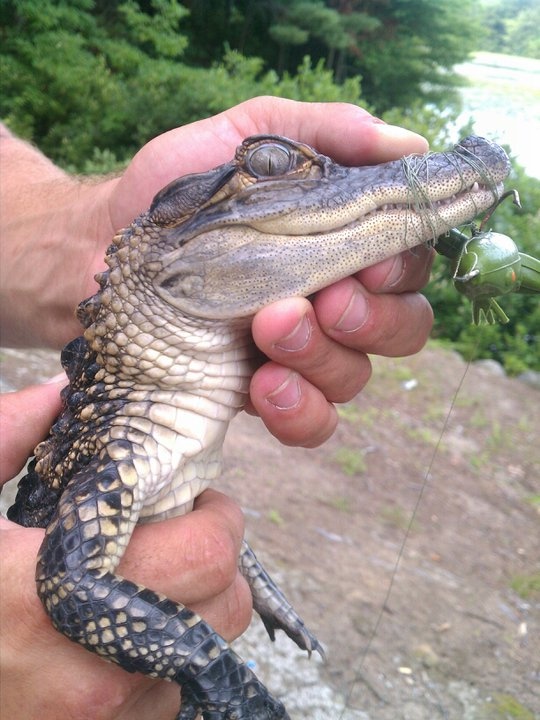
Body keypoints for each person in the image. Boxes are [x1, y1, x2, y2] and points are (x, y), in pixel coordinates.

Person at [0, 97, 434, 719]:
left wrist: (244, 569)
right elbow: (68, 582)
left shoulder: (132, 425)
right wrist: (229, 685)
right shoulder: (119, 431)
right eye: (273, 164)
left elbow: (155, 502)